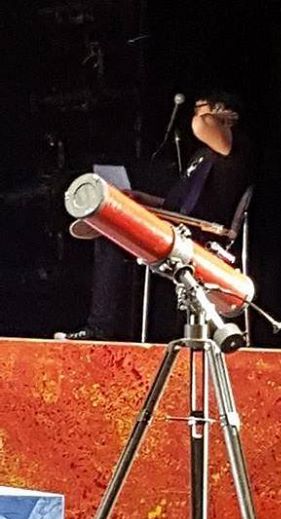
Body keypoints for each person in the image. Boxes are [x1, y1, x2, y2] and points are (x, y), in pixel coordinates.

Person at [55, 90, 253, 341]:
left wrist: (209, 116)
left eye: (200, 107)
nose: (195, 115)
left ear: (220, 110)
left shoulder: (234, 148)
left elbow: (201, 125)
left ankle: (99, 330)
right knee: (113, 230)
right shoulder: (202, 155)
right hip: (179, 225)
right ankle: (104, 327)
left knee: (114, 233)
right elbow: (176, 205)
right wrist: (143, 199)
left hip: (201, 234)